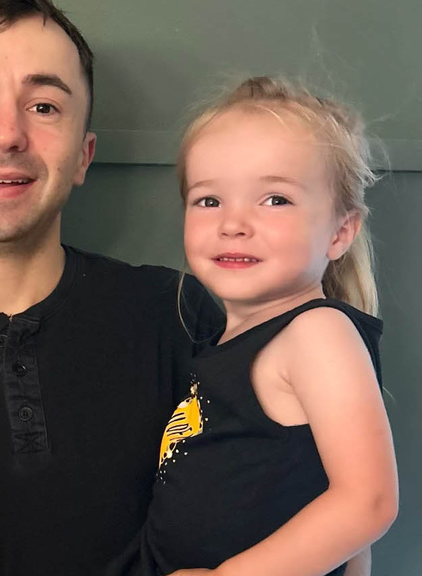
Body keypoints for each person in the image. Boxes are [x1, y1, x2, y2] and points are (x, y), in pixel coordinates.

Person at [0, 1, 221, 574]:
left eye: (44, 107)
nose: (7, 135)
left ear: (83, 157)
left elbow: (293, 490)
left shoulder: (178, 315)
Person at [136, 77, 398, 576]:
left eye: (275, 199)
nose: (233, 223)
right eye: (209, 200)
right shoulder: (229, 342)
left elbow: (368, 502)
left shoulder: (317, 333)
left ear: (340, 232)